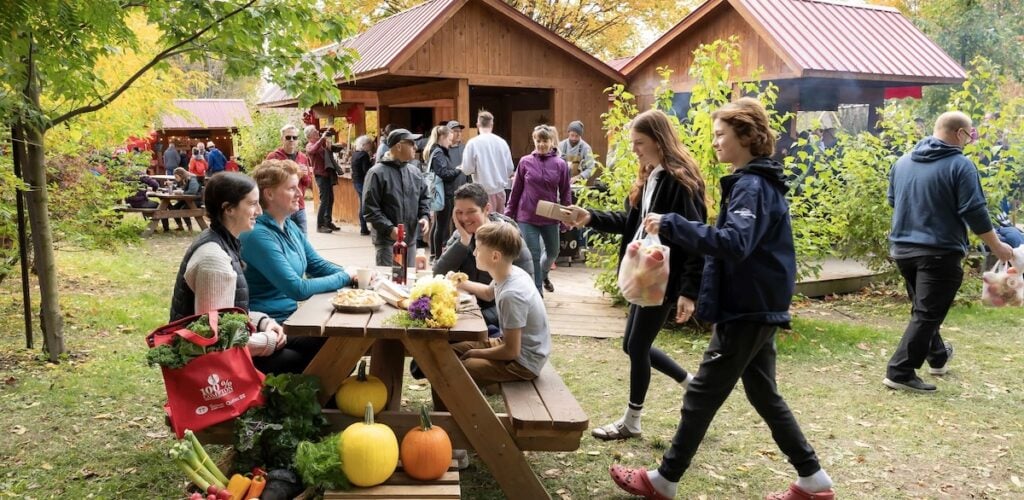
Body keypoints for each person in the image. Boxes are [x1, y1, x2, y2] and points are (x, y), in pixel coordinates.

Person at [605, 97, 834, 500]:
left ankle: (664, 479)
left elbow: (735, 243)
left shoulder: (751, 185)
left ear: (746, 136)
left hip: (748, 307)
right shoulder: (752, 182)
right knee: (763, 392)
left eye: (720, 135)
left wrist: (674, 224)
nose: (714, 142)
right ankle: (813, 481)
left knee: (701, 394)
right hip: (755, 304)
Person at [567, 109, 703, 442]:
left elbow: (696, 238)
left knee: (638, 344)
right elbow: (630, 224)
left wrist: (689, 291)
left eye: (639, 143)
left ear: (659, 140)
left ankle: (632, 421)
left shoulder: (679, 181)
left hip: (664, 278)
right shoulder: (650, 176)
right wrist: (589, 217)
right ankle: (691, 384)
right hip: (644, 274)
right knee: (632, 345)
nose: (634, 150)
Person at [884, 111, 1014, 393]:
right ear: (959, 134)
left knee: (924, 310)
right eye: (970, 135)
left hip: (903, 250)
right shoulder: (961, 165)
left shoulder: (902, 162)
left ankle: (938, 356)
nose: (969, 141)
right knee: (927, 314)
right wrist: (998, 247)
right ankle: (900, 372)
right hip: (939, 252)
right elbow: (974, 212)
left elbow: (894, 200)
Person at [168, 173, 290, 371]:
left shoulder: (220, 240)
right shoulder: (214, 260)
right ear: (229, 208)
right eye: (252, 204)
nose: (259, 211)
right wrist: (266, 340)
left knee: (313, 343)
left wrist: (262, 322)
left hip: (230, 351)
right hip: (210, 371)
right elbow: (212, 339)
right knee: (309, 356)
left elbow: (227, 314)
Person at [240, 160, 353, 372]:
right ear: (269, 194)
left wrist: (355, 275)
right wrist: (345, 276)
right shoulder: (257, 235)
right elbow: (297, 288)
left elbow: (316, 265)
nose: (300, 194)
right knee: (341, 342)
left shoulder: (289, 225)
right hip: (268, 326)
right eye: (292, 188)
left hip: (292, 319)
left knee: (344, 337)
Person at [452, 222, 550, 385]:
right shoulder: (510, 273)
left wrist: (476, 353)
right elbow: (488, 293)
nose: (475, 252)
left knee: (456, 368)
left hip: (524, 363)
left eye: (478, 248)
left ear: (495, 256)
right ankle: (448, 408)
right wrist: (459, 282)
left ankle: (456, 410)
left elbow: (512, 351)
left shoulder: (511, 295)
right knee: (448, 353)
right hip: (510, 346)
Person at [434, 183, 533, 332]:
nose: (464, 218)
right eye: (459, 212)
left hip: (499, 318)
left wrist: (475, 315)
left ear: (487, 209)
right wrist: (463, 241)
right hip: (467, 306)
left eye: (471, 211)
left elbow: (525, 294)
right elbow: (438, 274)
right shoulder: (460, 235)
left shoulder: (507, 237)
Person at [506, 125, 571, 295]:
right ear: (534, 140)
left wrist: (567, 217)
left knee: (552, 253)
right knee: (533, 254)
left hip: (550, 216)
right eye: (538, 140)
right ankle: (537, 291)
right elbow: (516, 190)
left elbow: (565, 192)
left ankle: (543, 275)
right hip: (526, 216)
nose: (541, 144)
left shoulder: (560, 164)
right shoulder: (525, 162)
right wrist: (508, 214)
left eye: (545, 141)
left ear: (552, 142)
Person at [362, 128, 431, 266]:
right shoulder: (376, 173)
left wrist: (424, 217)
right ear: (398, 146)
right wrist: (389, 229)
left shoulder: (415, 172)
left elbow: (424, 198)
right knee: (389, 283)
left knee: (409, 281)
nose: (415, 147)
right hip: (387, 242)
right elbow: (370, 209)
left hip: (410, 240)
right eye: (411, 143)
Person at [460, 110, 514, 213]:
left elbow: (467, 169)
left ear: (478, 124)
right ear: (492, 124)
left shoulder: (473, 143)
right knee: (500, 224)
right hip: (500, 191)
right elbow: (510, 169)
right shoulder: (502, 142)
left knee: (486, 225)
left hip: (482, 191)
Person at [424, 125, 465, 260]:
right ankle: (437, 257)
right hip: (444, 193)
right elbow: (444, 174)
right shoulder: (439, 153)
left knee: (437, 224)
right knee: (441, 226)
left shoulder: (435, 151)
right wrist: (458, 169)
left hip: (441, 192)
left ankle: (434, 254)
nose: (450, 142)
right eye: (449, 139)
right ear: (442, 137)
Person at [265, 124, 313, 234]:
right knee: (284, 241)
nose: (291, 140)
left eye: (294, 137)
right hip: (281, 208)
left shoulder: (303, 157)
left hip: (299, 206)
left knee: (303, 242)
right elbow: (267, 182)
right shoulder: (273, 157)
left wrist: (305, 175)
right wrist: (296, 175)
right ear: (282, 139)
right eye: (288, 137)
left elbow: (308, 182)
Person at [305, 125, 345, 234]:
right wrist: (322, 138)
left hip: (327, 174)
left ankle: (328, 222)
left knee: (330, 199)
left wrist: (340, 144)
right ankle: (320, 225)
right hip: (320, 175)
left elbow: (332, 150)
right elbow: (313, 150)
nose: (317, 132)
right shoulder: (309, 146)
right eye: (314, 132)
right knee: (324, 200)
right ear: (309, 135)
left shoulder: (321, 144)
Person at [557, 120, 596, 185]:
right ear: (568, 133)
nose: (574, 138)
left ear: (580, 135)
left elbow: (591, 168)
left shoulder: (586, 148)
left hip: (579, 184)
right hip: (561, 183)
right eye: (572, 135)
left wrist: (578, 177)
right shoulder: (560, 145)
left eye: (577, 136)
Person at [350, 135, 374, 236]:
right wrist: (373, 161)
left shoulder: (355, 154)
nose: (371, 146)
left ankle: (363, 227)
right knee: (364, 205)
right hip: (362, 182)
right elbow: (366, 170)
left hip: (356, 181)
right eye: (369, 144)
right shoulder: (364, 155)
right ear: (364, 145)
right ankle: (364, 228)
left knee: (362, 203)